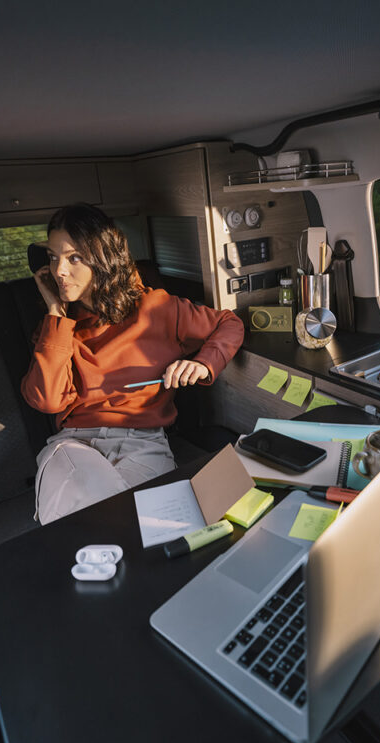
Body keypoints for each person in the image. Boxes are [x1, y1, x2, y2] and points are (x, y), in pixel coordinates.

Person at [21, 203, 244, 525]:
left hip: (143, 442)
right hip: (73, 444)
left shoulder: (157, 308)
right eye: (53, 257)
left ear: (102, 258)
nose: (59, 271)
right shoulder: (57, 328)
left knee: (146, 524)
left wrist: (203, 364)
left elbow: (229, 323)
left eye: (74, 258)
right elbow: (47, 400)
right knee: (94, 519)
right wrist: (55, 312)